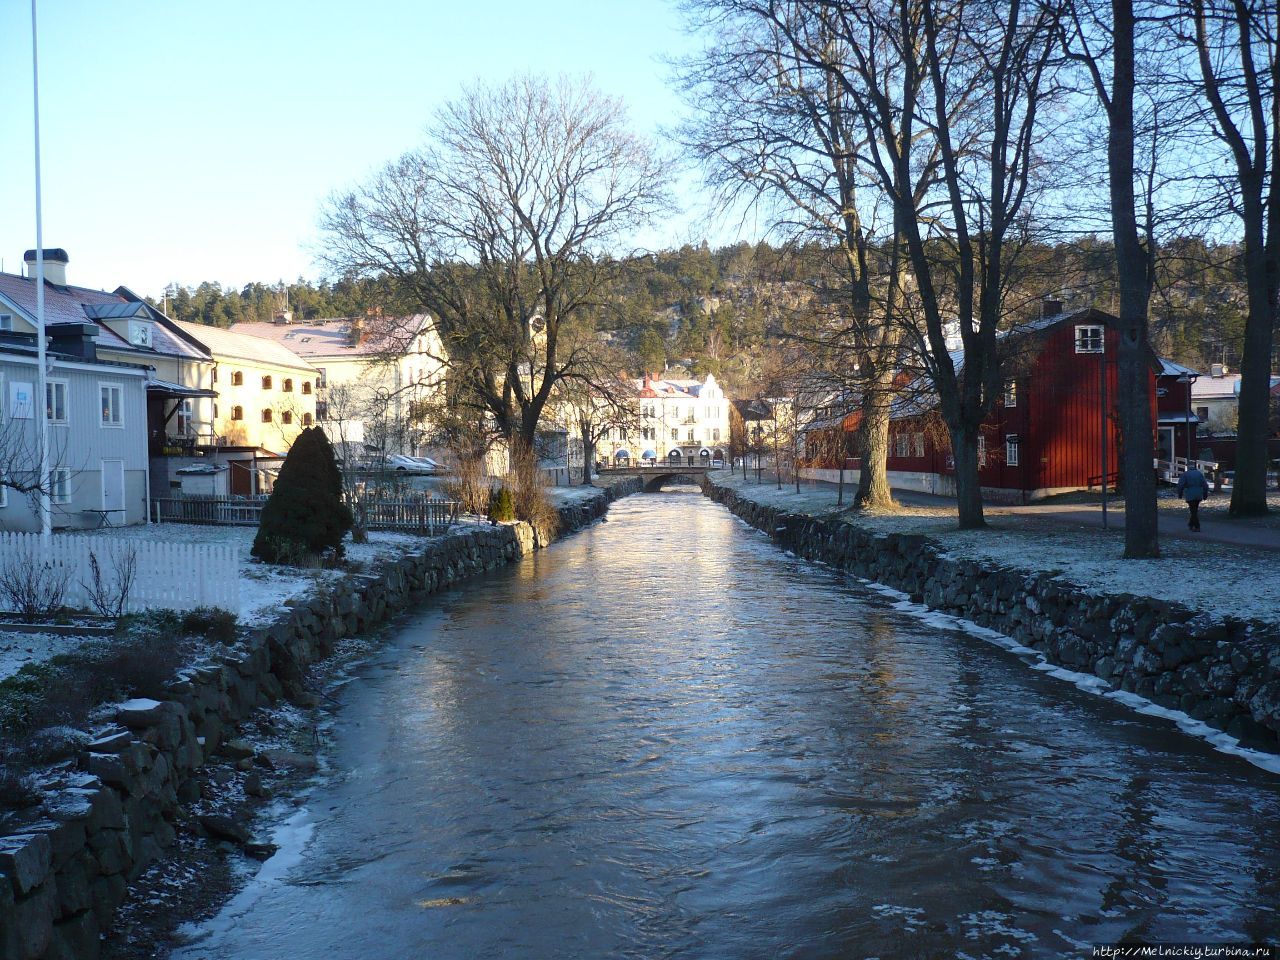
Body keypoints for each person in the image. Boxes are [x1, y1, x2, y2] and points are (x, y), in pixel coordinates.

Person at [1177, 465, 1209, 532]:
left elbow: (1180, 485)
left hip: (1190, 493)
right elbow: (1205, 485)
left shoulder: (1185, 474)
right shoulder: (1199, 474)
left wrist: (1180, 494)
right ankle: (1191, 524)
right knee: (1195, 509)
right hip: (1198, 493)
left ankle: (1197, 526)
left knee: (1193, 510)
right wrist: (1205, 494)